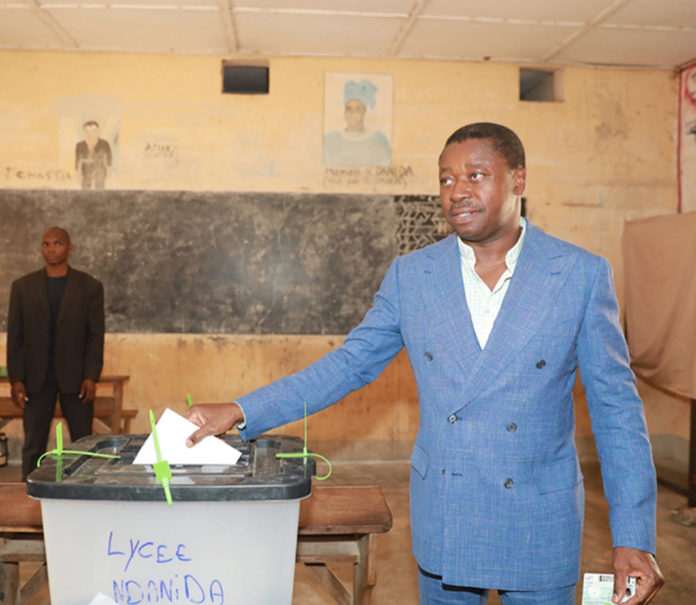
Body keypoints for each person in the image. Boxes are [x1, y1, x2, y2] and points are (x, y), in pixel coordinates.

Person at [187, 123, 664, 604]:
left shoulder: (579, 275)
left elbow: (616, 411)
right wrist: (242, 410)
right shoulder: (413, 277)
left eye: (476, 175)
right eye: (446, 179)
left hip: (538, 519)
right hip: (446, 511)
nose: (458, 192)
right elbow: (348, 365)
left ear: (518, 181)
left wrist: (634, 537)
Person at [6, 227, 105, 480]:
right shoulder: (23, 287)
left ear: (69, 248)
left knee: (85, 442)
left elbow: (95, 335)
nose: (51, 249)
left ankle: (87, 488)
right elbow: (15, 336)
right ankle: (28, 492)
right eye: (46, 244)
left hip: (77, 378)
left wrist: (91, 376)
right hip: (36, 378)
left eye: (57, 244)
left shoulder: (89, 287)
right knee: (33, 444)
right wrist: (16, 378)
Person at [323, 78, 392, 166]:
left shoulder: (378, 140)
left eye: (357, 109)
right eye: (349, 109)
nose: (352, 113)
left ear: (364, 111)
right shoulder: (331, 140)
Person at [75, 120, 112, 189]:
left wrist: (108, 173)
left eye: (94, 131)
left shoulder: (104, 144)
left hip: (100, 173)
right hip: (86, 174)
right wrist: (78, 175)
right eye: (87, 131)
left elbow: (109, 161)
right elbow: (77, 163)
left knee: (100, 191)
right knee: (85, 193)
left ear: (98, 132)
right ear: (84, 132)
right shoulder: (79, 145)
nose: (90, 134)